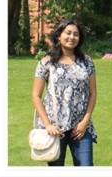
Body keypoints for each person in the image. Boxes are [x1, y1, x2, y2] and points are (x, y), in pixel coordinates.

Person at [31, 18, 98, 167]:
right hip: (55, 129)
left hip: (80, 128)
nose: (72, 37)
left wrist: (85, 122)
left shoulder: (87, 62)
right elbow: (36, 95)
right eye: (68, 33)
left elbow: (93, 93)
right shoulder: (46, 62)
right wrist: (48, 125)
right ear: (58, 36)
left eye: (76, 34)